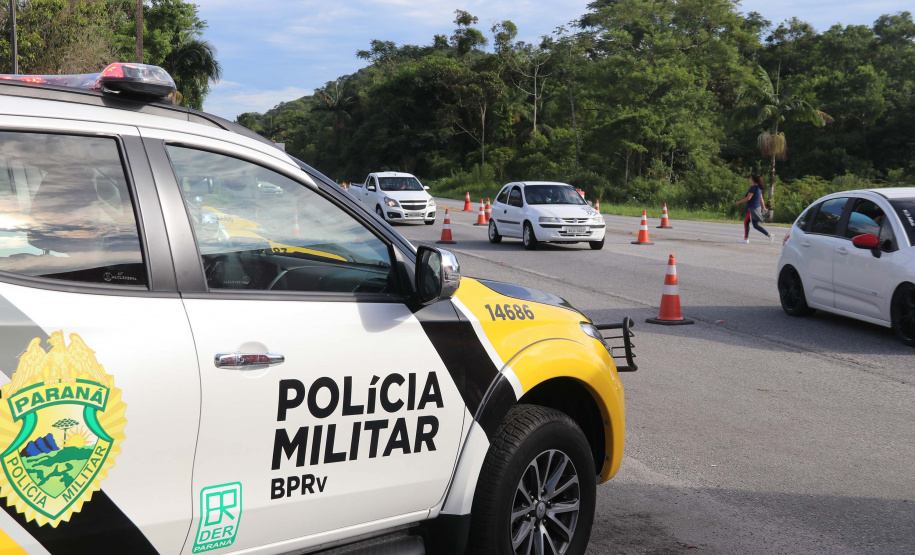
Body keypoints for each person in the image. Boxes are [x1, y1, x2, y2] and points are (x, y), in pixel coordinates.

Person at [734, 175, 774, 243]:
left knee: (751, 224)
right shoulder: (759, 188)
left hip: (752, 208)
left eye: (750, 178)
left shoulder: (753, 188)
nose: (749, 180)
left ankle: (747, 239)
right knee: (750, 223)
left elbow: (748, 198)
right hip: (757, 208)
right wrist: (763, 207)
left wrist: (739, 202)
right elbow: (761, 198)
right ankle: (747, 238)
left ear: (753, 180)